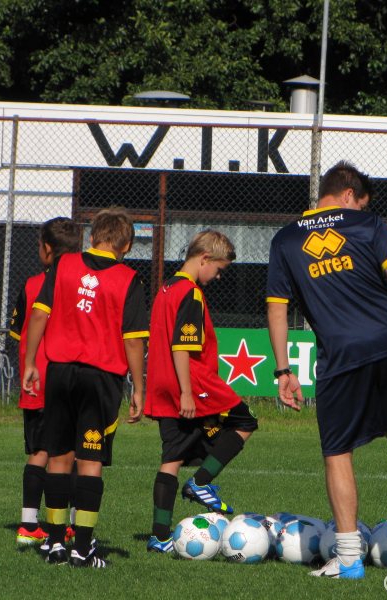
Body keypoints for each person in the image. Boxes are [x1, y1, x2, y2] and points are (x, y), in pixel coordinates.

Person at [266, 161, 387, 580]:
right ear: (348, 195)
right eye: (361, 202)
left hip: (339, 357)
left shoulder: (286, 239)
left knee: (337, 451)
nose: (362, 209)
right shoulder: (369, 225)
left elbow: (276, 307)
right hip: (384, 344)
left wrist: (283, 369)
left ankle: (348, 559)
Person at [21, 206, 149, 568]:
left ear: (93, 236)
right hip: (100, 378)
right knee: (90, 460)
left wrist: (31, 362)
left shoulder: (63, 266)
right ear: (125, 244)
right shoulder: (129, 279)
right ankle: (83, 548)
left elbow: (40, 313)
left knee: (59, 456)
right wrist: (138, 388)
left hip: (59, 371)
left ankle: (56, 544)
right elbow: (134, 341)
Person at [144, 230, 258, 553]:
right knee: (246, 422)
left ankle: (160, 537)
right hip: (193, 383)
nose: (218, 276)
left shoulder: (166, 289)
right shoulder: (190, 294)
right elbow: (183, 346)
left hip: (163, 383)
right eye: (219, 269)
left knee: (172, 458)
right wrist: (187, 393)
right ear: (204, 258)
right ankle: (202, 482)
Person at [10, 217, 81, 546]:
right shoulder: (81, 286)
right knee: (70, 454)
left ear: (47, 249)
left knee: (39, 451)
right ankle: (64, 524)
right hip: (69, 378)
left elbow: (17, 333)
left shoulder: (30, 285)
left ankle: (28, 524)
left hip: (35, 380)